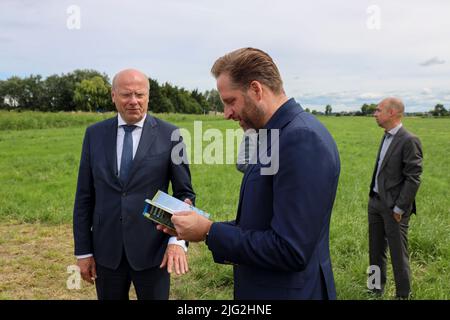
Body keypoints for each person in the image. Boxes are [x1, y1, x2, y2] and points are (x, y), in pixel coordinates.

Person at [158, 48, 341, 299]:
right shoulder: (272, 135)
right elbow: (260, 225)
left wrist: (209, 231)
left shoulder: (300, 138)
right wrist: (195, 226)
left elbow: (290, 249)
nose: (226, 113)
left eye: (230, 101)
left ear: (256, 90)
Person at [73, 69, 195, 300]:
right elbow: (84, 196)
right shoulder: (94, 134)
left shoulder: (172, 135)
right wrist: (84, 251)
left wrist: (176, 241)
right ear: (113, 96)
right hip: (106, 251)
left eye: (139, 94)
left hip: (154, 251)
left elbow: (184, 193)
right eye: (126, 95)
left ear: (148, 96)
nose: (133, 101)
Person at [368, 97, 423, 299]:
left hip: (394, 209)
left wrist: (400, 208)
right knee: (375, 250)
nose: (375, 113)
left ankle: (402, 294)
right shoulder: (385, 136)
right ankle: (374, 288)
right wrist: (373, 197)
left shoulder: (409, 140)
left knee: (398, 255)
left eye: (378, 110)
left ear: (391, 113)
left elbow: (413, 178)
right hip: (375, 202)